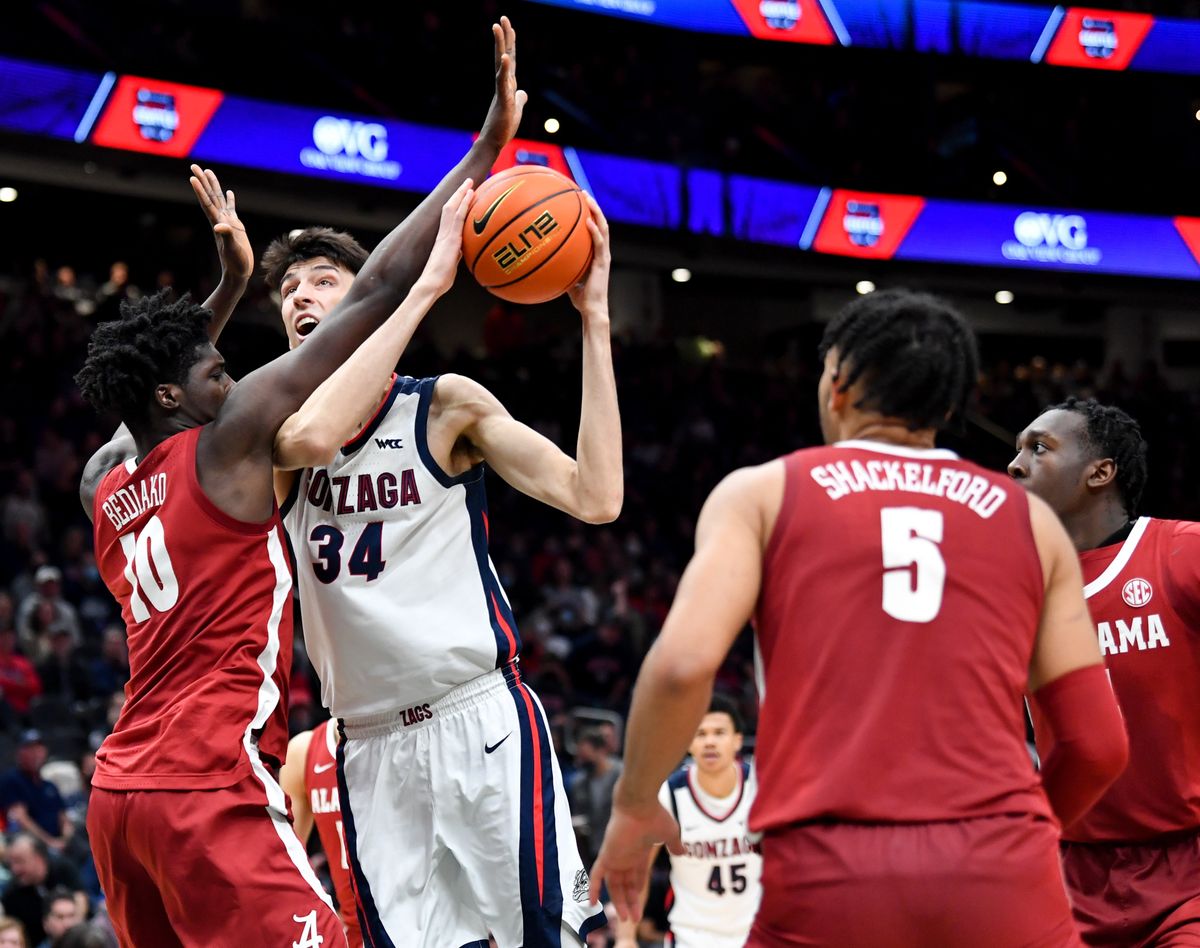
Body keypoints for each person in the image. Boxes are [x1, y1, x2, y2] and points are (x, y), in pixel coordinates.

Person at [72, 22, 524, 944]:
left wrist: (229, 286)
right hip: (210, 786)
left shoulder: (104, 483)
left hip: (118, 799)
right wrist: (483, 153)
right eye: (211, 369)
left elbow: (144, 391)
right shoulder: (231, 447)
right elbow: (366, 297)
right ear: (176, 394)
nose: (228, 375)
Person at [589, 289, 1130, 947]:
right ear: (948, 405)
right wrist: (1028, 830)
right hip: (1002, 872)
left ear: (838, 385)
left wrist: (635, 802)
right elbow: (1098, 744)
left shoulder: (761, 494)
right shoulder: (1033, 523)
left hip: (830, 872)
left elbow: (680, 667)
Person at [265, 54, 615, 947]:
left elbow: (596, 497)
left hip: (479, 718)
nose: (303, 298)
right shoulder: (272, 443)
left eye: (324, 284)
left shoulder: (443, 404)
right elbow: (309, 437)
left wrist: (594, 322)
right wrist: (421, 289)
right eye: (289, 293)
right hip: (364, 746)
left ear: (359, 303)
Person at [1010, 397, 1200, 947]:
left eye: (1038, 448)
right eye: (1017, 449)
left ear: (1099, 472)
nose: (1015, 464)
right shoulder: (1010, 588)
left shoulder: (1179, 554)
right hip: (1067, 874)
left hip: (1186, 871)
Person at [613, 694, 760, 948]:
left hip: (757, 935)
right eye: (700, 734)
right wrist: (625, 937)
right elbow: (638, 869)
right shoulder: (669, 796)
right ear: (688, 742)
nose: (710, 742)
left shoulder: (760, 787)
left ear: (737, 740)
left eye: (719, 733)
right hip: (691, 938)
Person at [280, 719, 363, 948]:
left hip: (419, 928)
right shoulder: (303, 752)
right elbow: (283, 866)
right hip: (351, 932)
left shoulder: (405, 738)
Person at [2, 835, 86, 947]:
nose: (15, 869)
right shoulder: (11, 894)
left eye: (20, 862)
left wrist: (72, 934)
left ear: (38, 858)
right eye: (11, 863)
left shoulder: (63, 869)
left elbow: (81, 898)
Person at [0, 731, 72, 850]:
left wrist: (65, 839)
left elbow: (64, 817)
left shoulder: (50, 786)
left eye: (38, 748)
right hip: (35, 845)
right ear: (19, 753)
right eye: (29, 748)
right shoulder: (11, 780)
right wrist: (50, 842)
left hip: (60, 843)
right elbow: (21, 819)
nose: (35, 753)